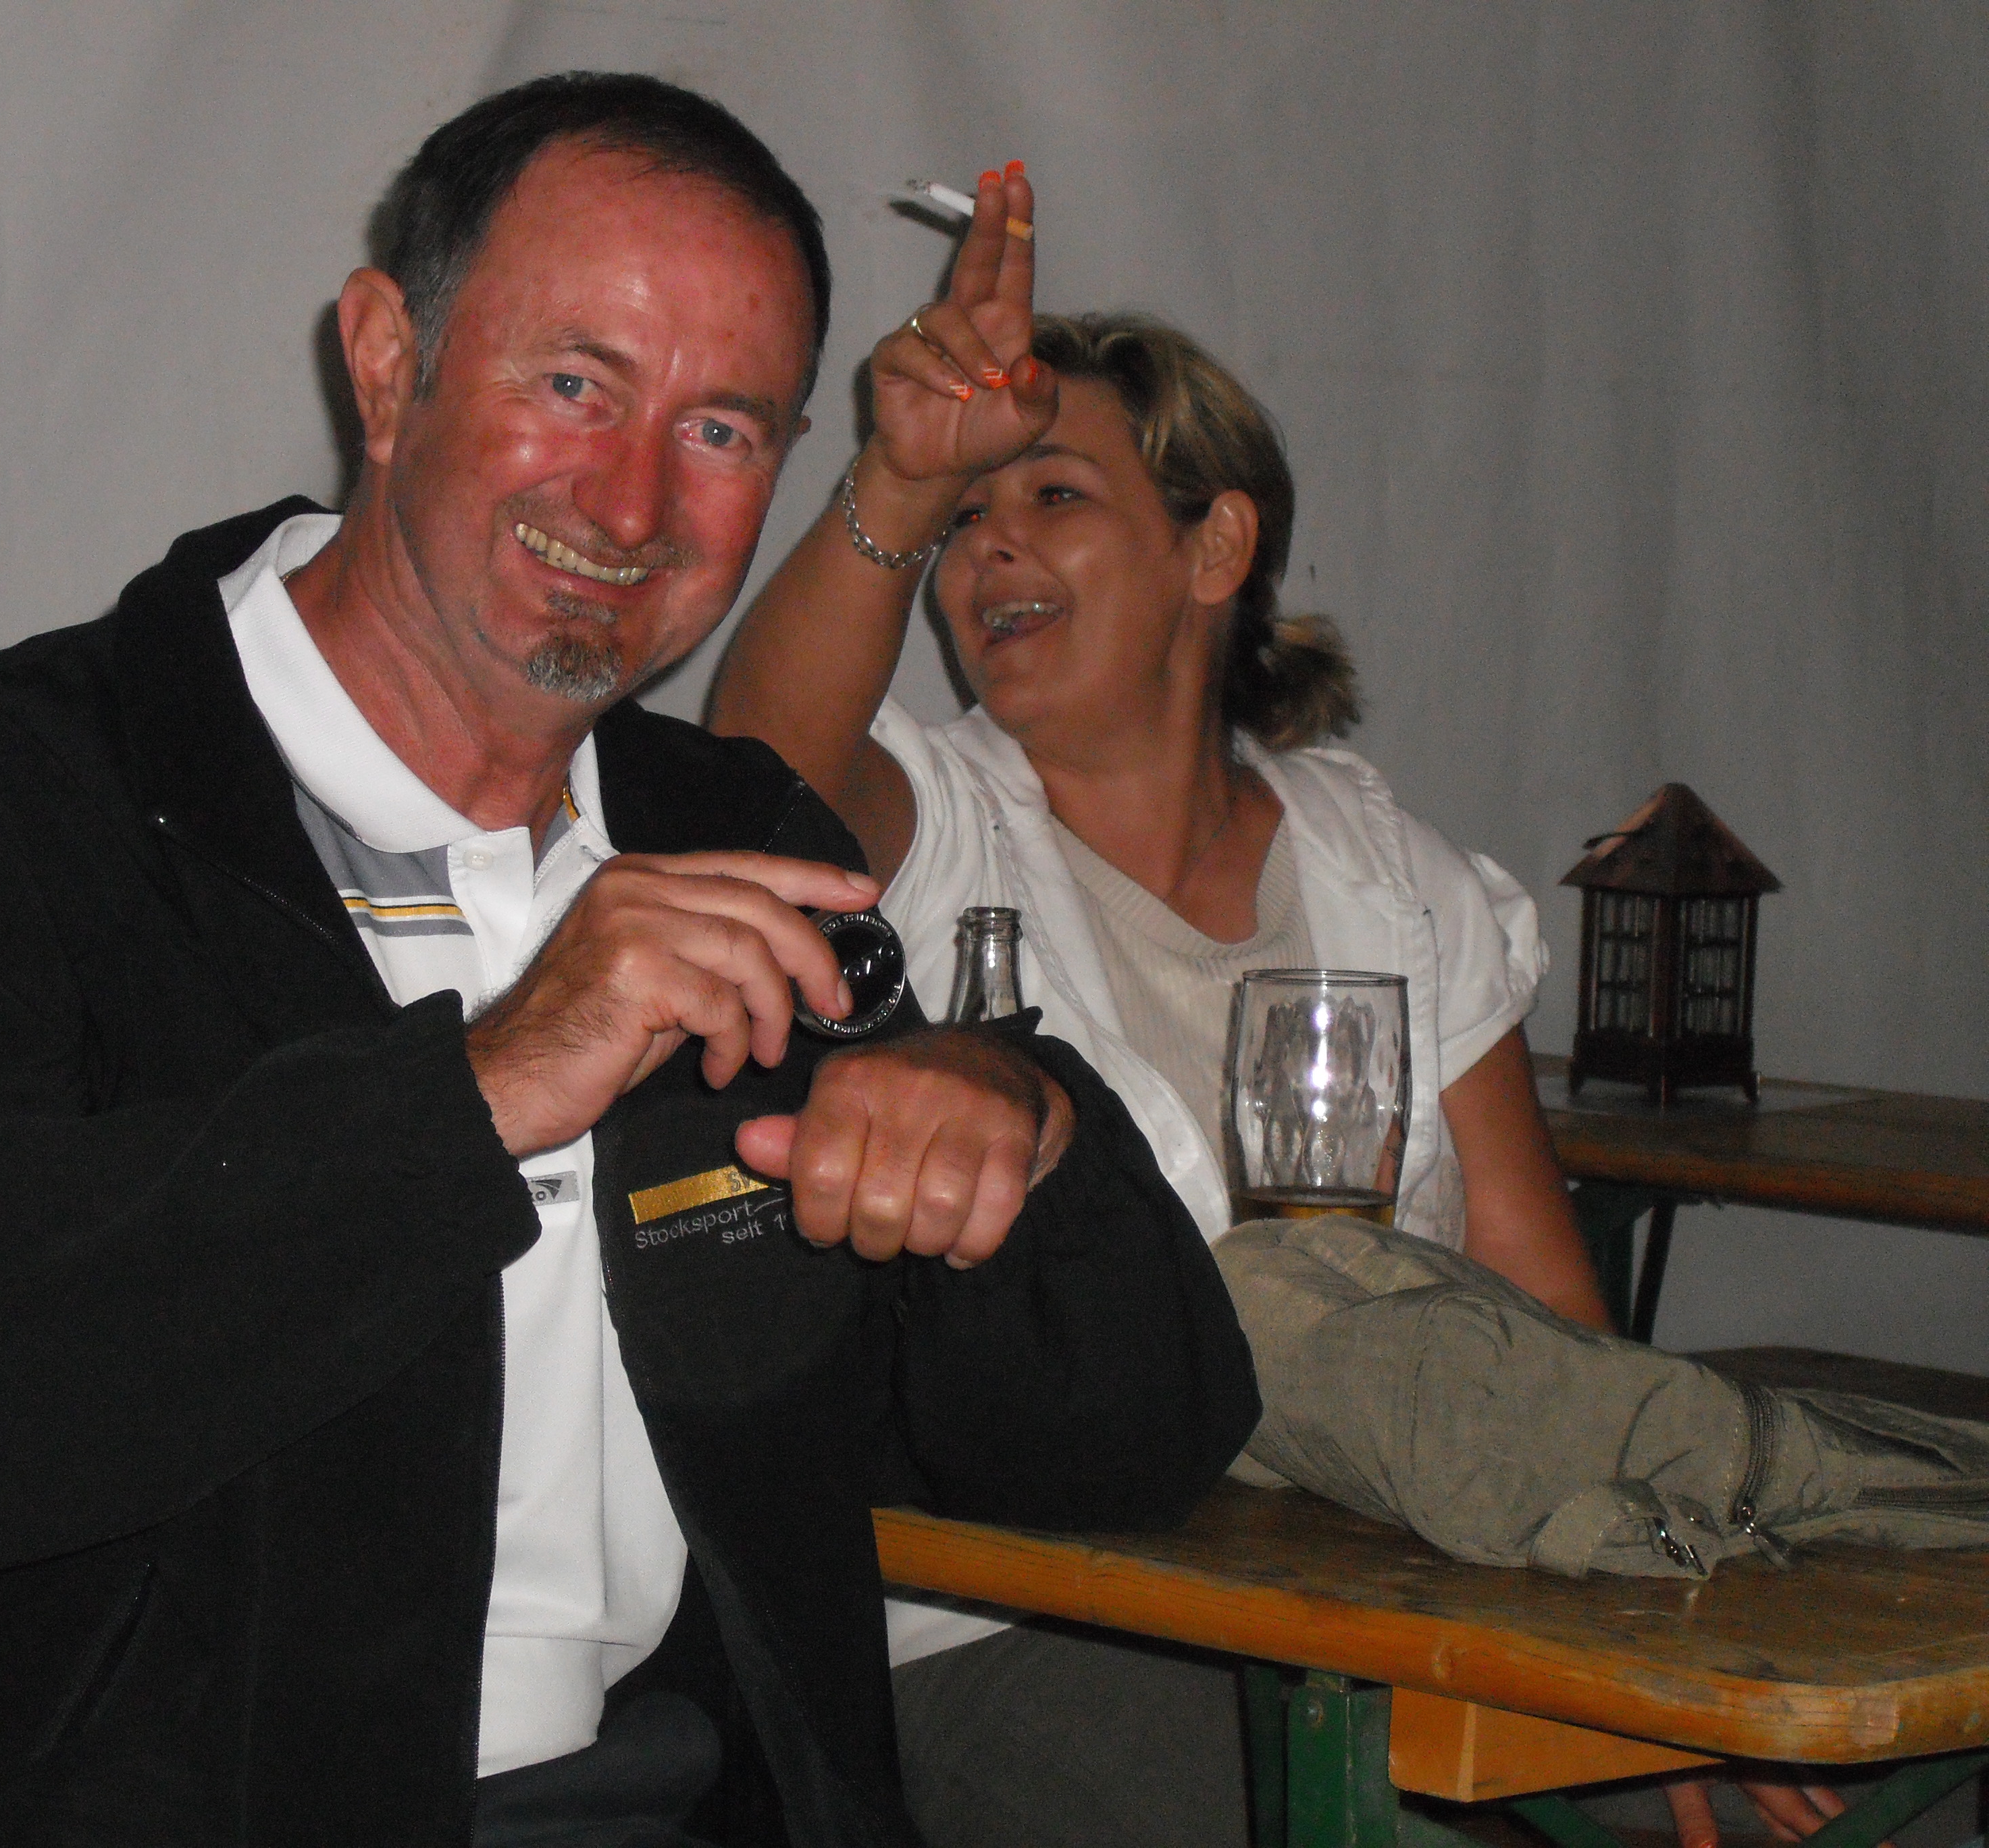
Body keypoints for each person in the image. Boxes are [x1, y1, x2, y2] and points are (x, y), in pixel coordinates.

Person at [0, 81, 1256, 1846]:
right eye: (573, 387)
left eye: (720, 428)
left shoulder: (730, 839)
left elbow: (1101, 1453)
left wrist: (1017, 1133)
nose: (631, 501)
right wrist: (476, 1094)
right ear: (387, 364)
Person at [709, 168, 1853, 1848]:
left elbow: (1552, 1313)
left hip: (1409, 1578)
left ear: (1217, 544)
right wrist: (896, 478)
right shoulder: (936, 823)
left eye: (1052, 493)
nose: (989, 545)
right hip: (1038, 1621)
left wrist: (1647, 1641)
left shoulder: (1393, 869)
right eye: (965, 518)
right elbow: (755, 779)